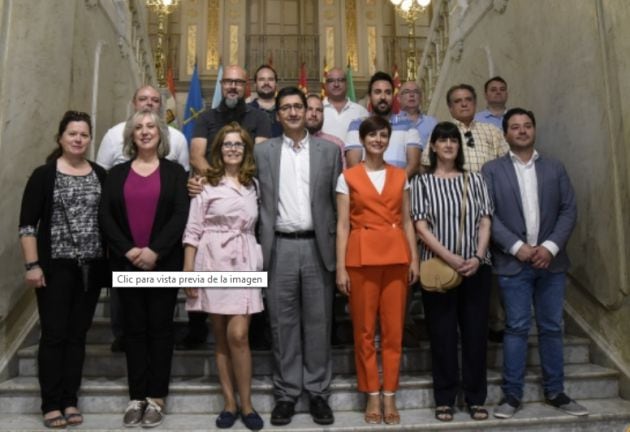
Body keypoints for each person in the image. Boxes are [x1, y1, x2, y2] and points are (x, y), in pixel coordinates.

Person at [482, 108, 587, 419]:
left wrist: (550, 247)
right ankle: (511, 396)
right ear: (506, 134)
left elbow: (569, 210)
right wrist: (517, 247)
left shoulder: (555, 168)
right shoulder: (492, 170)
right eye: (515, 127)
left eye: (527, 126)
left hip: (550, 265)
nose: (522, 131)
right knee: (515, 328)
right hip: (513, 264)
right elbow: (487, 214)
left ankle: (556, 391)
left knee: (552, 327)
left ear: (534, 130)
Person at [254, 86, 341, 427]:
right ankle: (287, 394)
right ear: (277, 115)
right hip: (279, 247)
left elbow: (337, 205)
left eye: (298, 107)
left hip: (319, 247)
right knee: (282, 324)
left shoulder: (328, 152)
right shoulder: (263, 153)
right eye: (286, 108)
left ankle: (318, 392)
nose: (292, 112)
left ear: (308, 111)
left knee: (319, 322)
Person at [99, 110, 189, 428]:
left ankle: (156, 398)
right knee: (134, 331)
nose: (145, 131)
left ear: (161, 134)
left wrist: (155, 251)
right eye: (138, 127)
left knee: (160, 330)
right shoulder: (117, 174)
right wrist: (129, 250)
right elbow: (106, 217)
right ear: (131, 136)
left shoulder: (176, 173)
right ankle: (136, 396)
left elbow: (180, 215)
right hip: (126, 263)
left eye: (151, 126)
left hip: (163, 263)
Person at [19, 110, 108, 428]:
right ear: (61, 137)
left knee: (77, 336)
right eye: (73, 133)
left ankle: (70, 399)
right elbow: (28, 225)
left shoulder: (100, 174)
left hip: (91, 269)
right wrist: (33, 265)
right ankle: (51, 403)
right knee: (54, 336)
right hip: (55, 269)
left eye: (84, 134)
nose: (79, 139)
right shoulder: (44, 175)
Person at [336, 116, 419, 425]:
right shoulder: (347, 176)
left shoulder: (400, 175)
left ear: (388, 140)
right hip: (361, 257)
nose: (378, 140)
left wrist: (414, 260)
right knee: (365, 331)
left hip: (397, 255)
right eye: (372, 135)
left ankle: (390, 394)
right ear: (362, 139)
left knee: (395, 330)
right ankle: (372, 392)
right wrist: (341, 268)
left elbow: (408, 220)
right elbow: (342, 224)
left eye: (383, 135)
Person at [182, 122, 264, 431]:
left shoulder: (254, 185)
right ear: (219, 150)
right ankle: (230, 403)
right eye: (227, 144)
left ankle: (247, 403)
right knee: (220, 336)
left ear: (246, 151)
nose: (233, 149)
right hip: (212, 259)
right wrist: (188, 274)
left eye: (238, 145)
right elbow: (192, 230)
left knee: (239, 335)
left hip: (244, 260)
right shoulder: (205, 183)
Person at [96, 84, 190, 353]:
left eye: (154, 100)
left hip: (163, 250)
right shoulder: (113, 136)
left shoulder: (178, 140)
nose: (149, 103)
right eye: (143, 99)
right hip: (124, 246)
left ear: (161, 105)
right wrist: (127, 248)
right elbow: (103, 185)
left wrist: (157, 249)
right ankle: (122, 336)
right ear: (133, 102)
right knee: (127, 317)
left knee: (159, 324)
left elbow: (181, 198)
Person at [410, 121, 493, 422]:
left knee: (474, 335)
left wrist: (477, 256)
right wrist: (450, 257)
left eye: (453, 140)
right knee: (442, 335)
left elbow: (485, 220)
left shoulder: (476, 180)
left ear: (459, 146)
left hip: (476, 268)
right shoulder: (421, 183)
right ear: (432, 146)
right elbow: (421, 226)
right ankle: (444, 397)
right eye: (442, 140)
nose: (448, 145)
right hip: (437, 268)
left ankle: (475, 397)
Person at [186, 65, 272, 350]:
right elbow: (196, 155)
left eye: (239, 82)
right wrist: (219, 184)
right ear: (222, 85)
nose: (233, 86)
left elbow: (257, 157)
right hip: (214, 199)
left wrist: (235, 184)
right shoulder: (207, 117)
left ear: (247, 86)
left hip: (248, 200)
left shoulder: (258, 117)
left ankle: (255, 330)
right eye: (228, 82)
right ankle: (198, 330)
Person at [345, 71, 421, 178]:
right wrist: (371, 189)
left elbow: (413, 164)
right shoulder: (356, 125)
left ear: (393, 96)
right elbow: (353, 165)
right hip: (365, 191)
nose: (383, 97)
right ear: (370, 96)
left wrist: (393, 187)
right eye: (377, 92)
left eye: (388, 92)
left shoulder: (408, 125)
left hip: (399, 190)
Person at [421, 83, 508, 173]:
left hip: (488, 184)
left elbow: (507, 163)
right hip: (453, 184)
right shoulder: (440, 131)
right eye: (458, 101)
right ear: (450, 107)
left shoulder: (493, 130)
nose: (464, 104)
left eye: (468, 100)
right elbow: (426, 164)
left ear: (475, 104)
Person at [321, 66, 368, 141]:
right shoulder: (317, 110)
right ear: (325, 85)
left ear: (346, 84)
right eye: (331, 81)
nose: (336, 84)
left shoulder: (361, 111)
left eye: (340, 80)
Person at [396, 80, 438, 148]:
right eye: (406, 92)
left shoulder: (432, 122)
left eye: (415, 92)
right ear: (399, 98)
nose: (412, 95)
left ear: (421, 98)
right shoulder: (392, 123)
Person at [248, 64, 282, 137]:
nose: (266, 83)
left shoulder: (285, 109)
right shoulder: (246, 111)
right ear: (255, 84)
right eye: (261, 79)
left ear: (276, 84)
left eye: (270, 79)